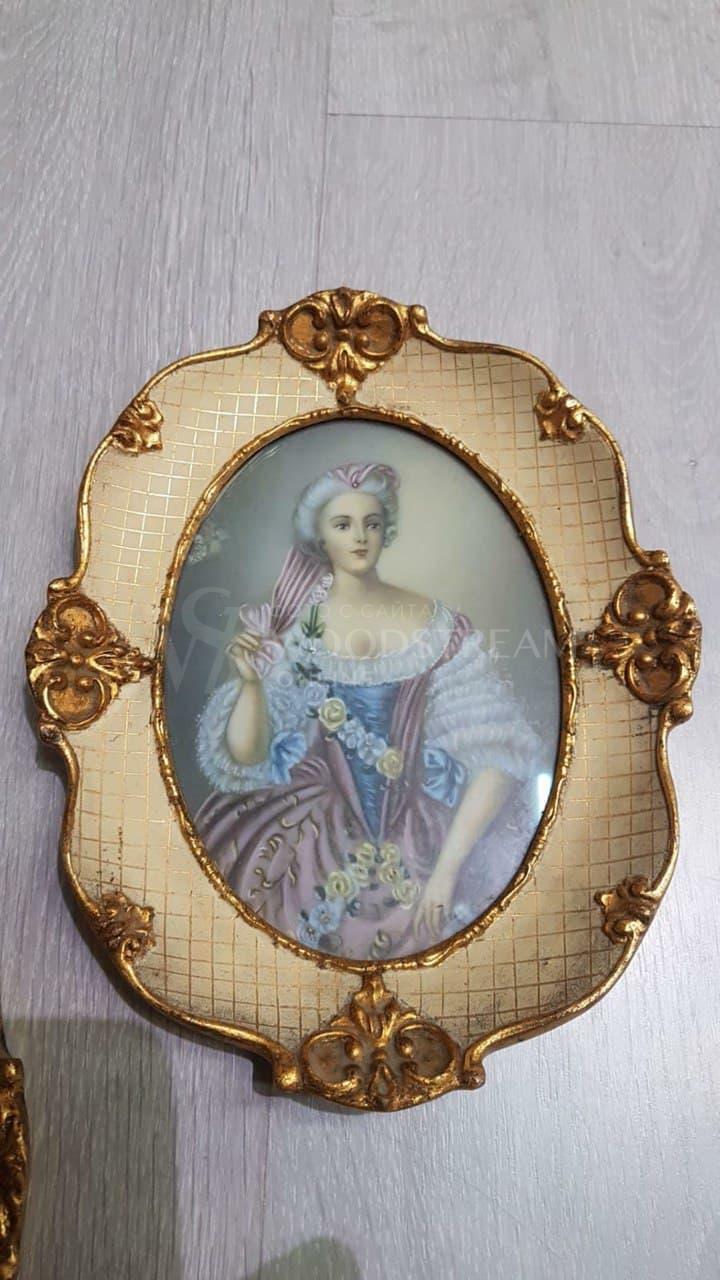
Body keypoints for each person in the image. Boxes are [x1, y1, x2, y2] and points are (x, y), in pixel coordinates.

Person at [194, 461, 542, 961]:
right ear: (319, 537)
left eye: (371, 524)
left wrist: (446, 873)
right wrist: (250, 684)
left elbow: (498, 756)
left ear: (386, 531)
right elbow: (248, 755)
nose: (359, 537)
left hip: (421, 834)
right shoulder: (293, 627)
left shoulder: (438, 627)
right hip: (307, 835)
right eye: (343, 525)